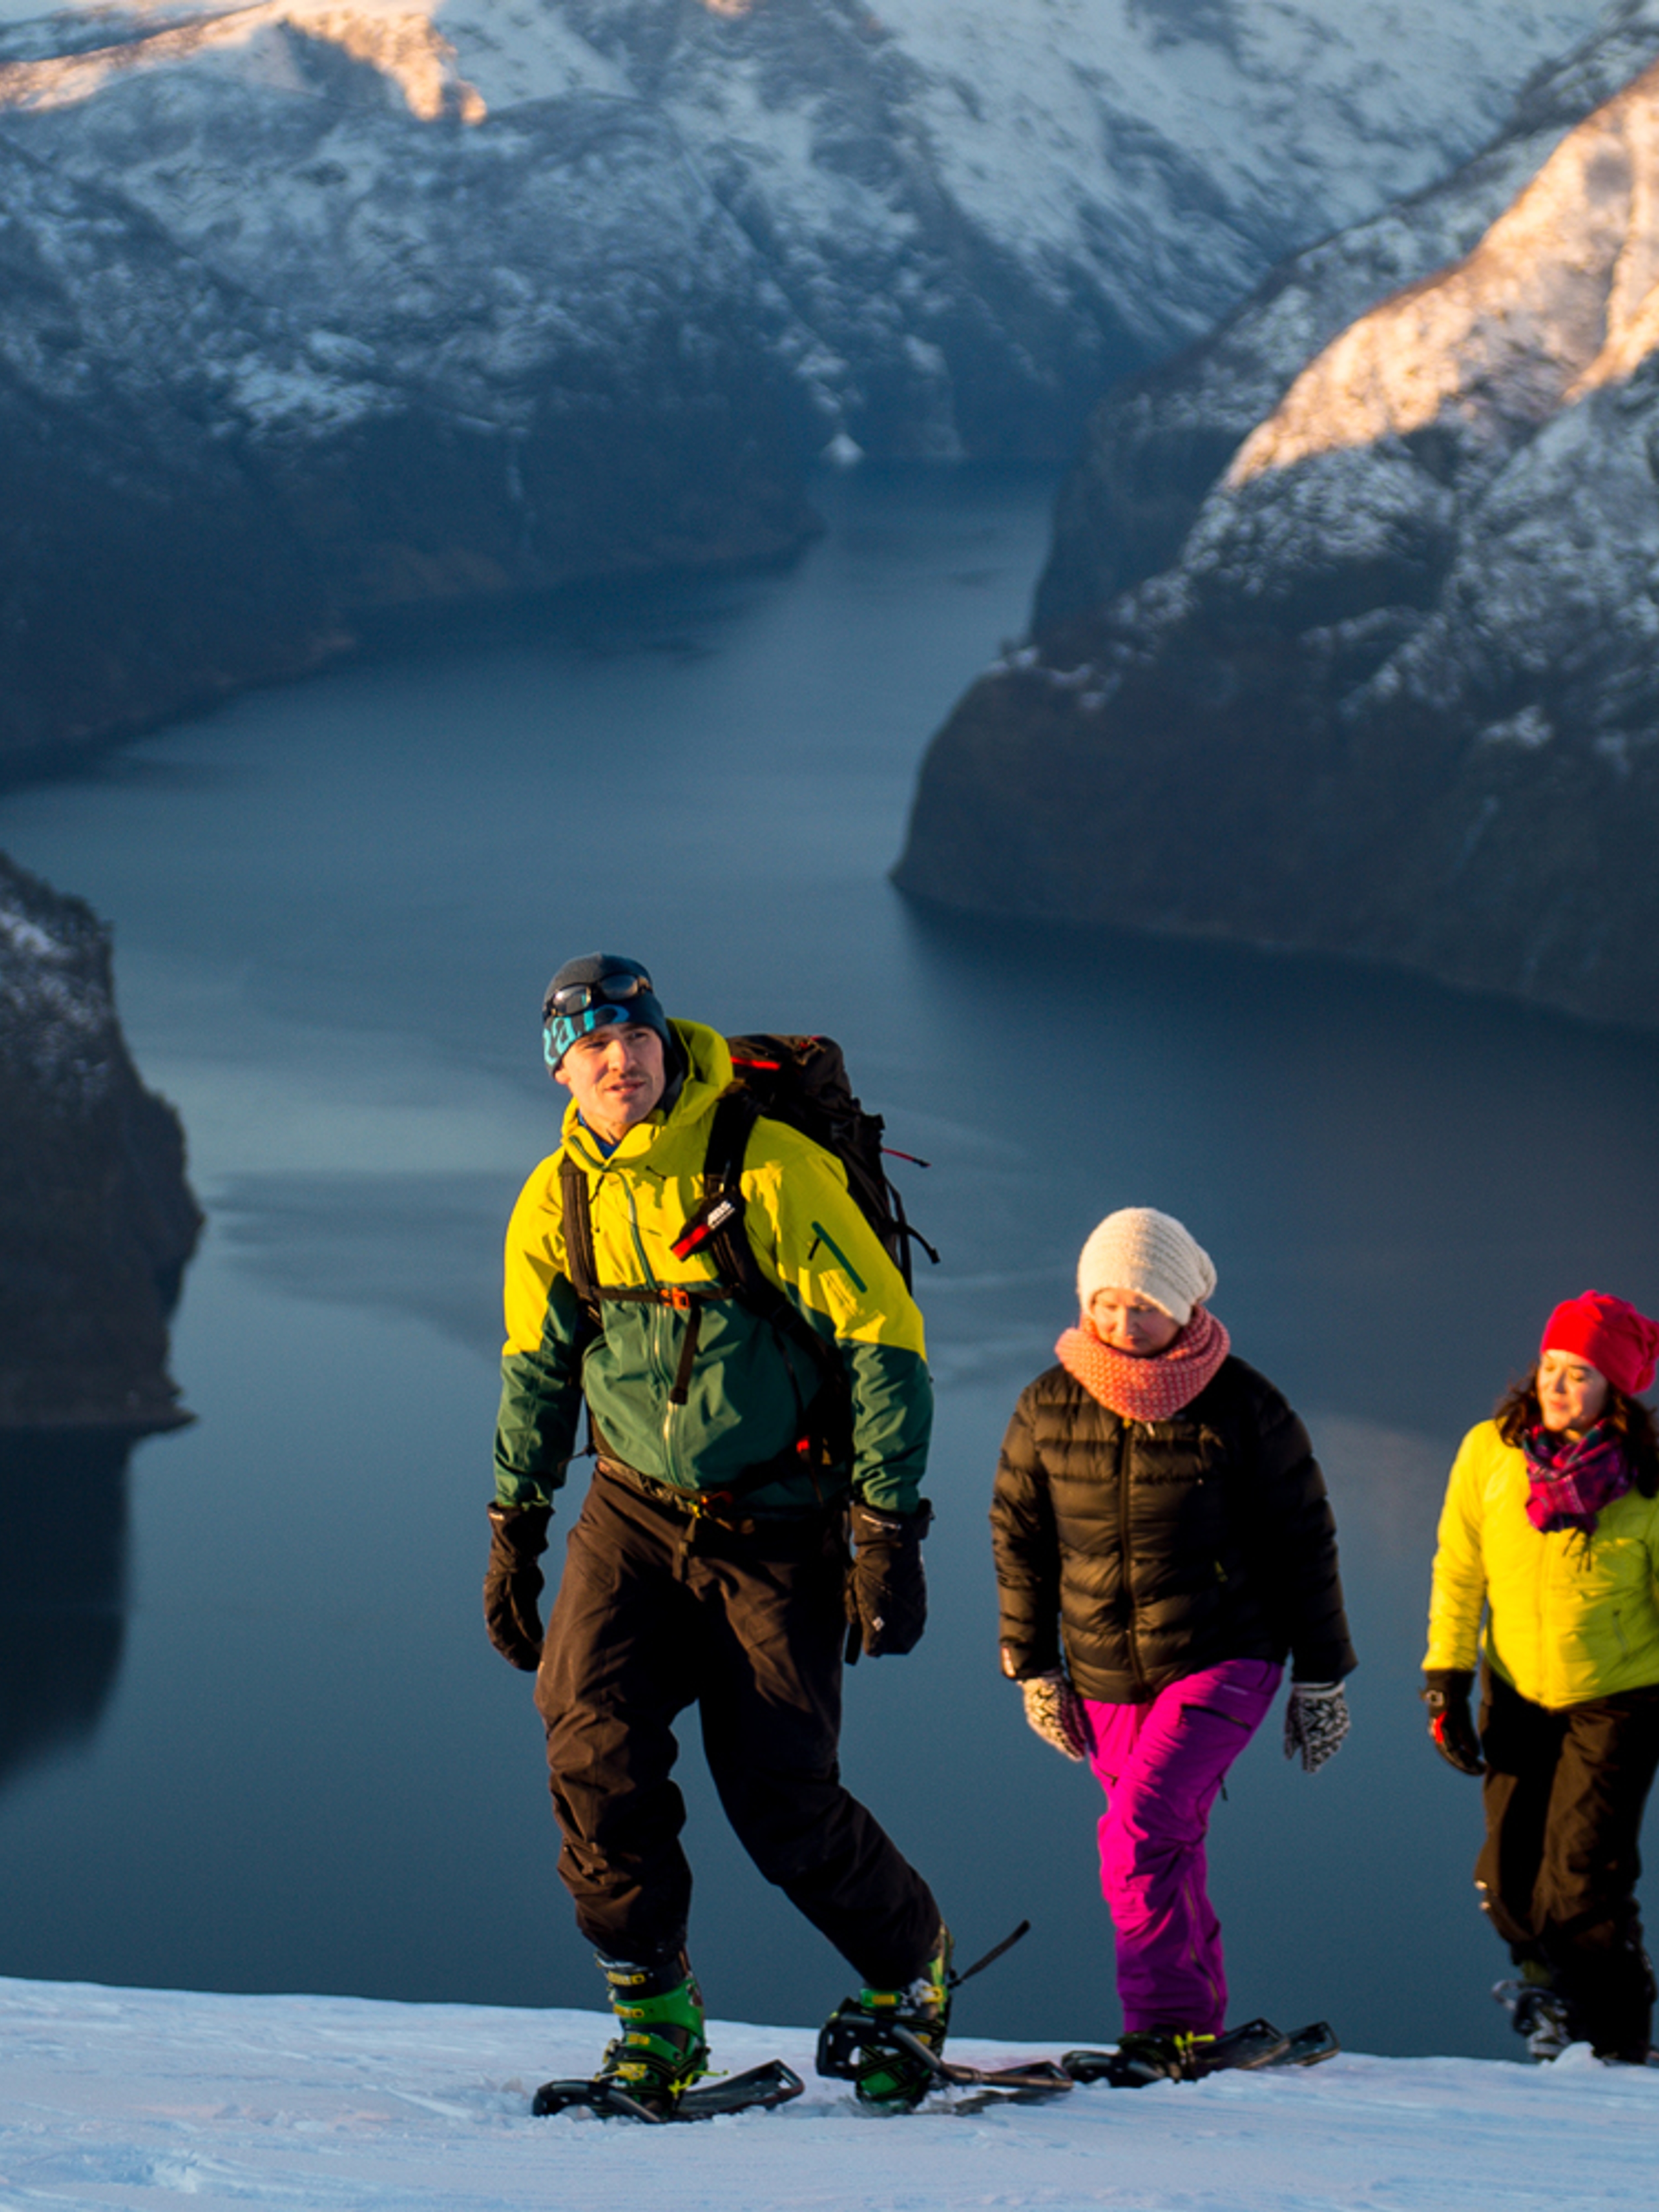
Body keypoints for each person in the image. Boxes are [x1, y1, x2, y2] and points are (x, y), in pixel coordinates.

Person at [482, 953, 947, 2112]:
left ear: (660, 1040)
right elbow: (537, 1372)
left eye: (633, 1036)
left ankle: (910, 1974)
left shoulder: (765, 1168)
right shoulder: (557, 1201)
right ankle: (656, 2021)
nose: (619, 1060)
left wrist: (887, 1527)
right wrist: (515, 1526)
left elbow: (886, 1344)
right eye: (589, 1047)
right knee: (589, 1745)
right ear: (559, 1073)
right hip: (634, 1513)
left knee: (781, 1796)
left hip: (779, 1526)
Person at [989, 1206, 1356, 2081]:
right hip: (1105, 1671)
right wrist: (1034, 1666)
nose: (1124, 1324)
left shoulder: (1245, 1404)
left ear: (1187, 1306)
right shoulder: (1048, 1403)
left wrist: (1322, 1677)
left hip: (1224, 1653)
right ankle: (1196, 2024)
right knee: (1166, 1842)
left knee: (1140, 1833)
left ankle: (1161, 2026)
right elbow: (1019, 1535)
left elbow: (1305, 1538)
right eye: (1108, 1303)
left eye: (1145, 1306)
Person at [1423, 1289, 1659, 2065]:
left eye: (1581, 1374)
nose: (1557, 1387)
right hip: (1516, 1689)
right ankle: (1551, 1994)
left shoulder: (1646, 1481)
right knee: (1509, 1876)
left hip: (1617, 1697)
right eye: (1551, 1367)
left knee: (1583, 1881)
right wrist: (1447, 1679)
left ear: (1615, 1391)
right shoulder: (1490, 1453)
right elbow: (1460, 1570)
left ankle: (1618, 2041)